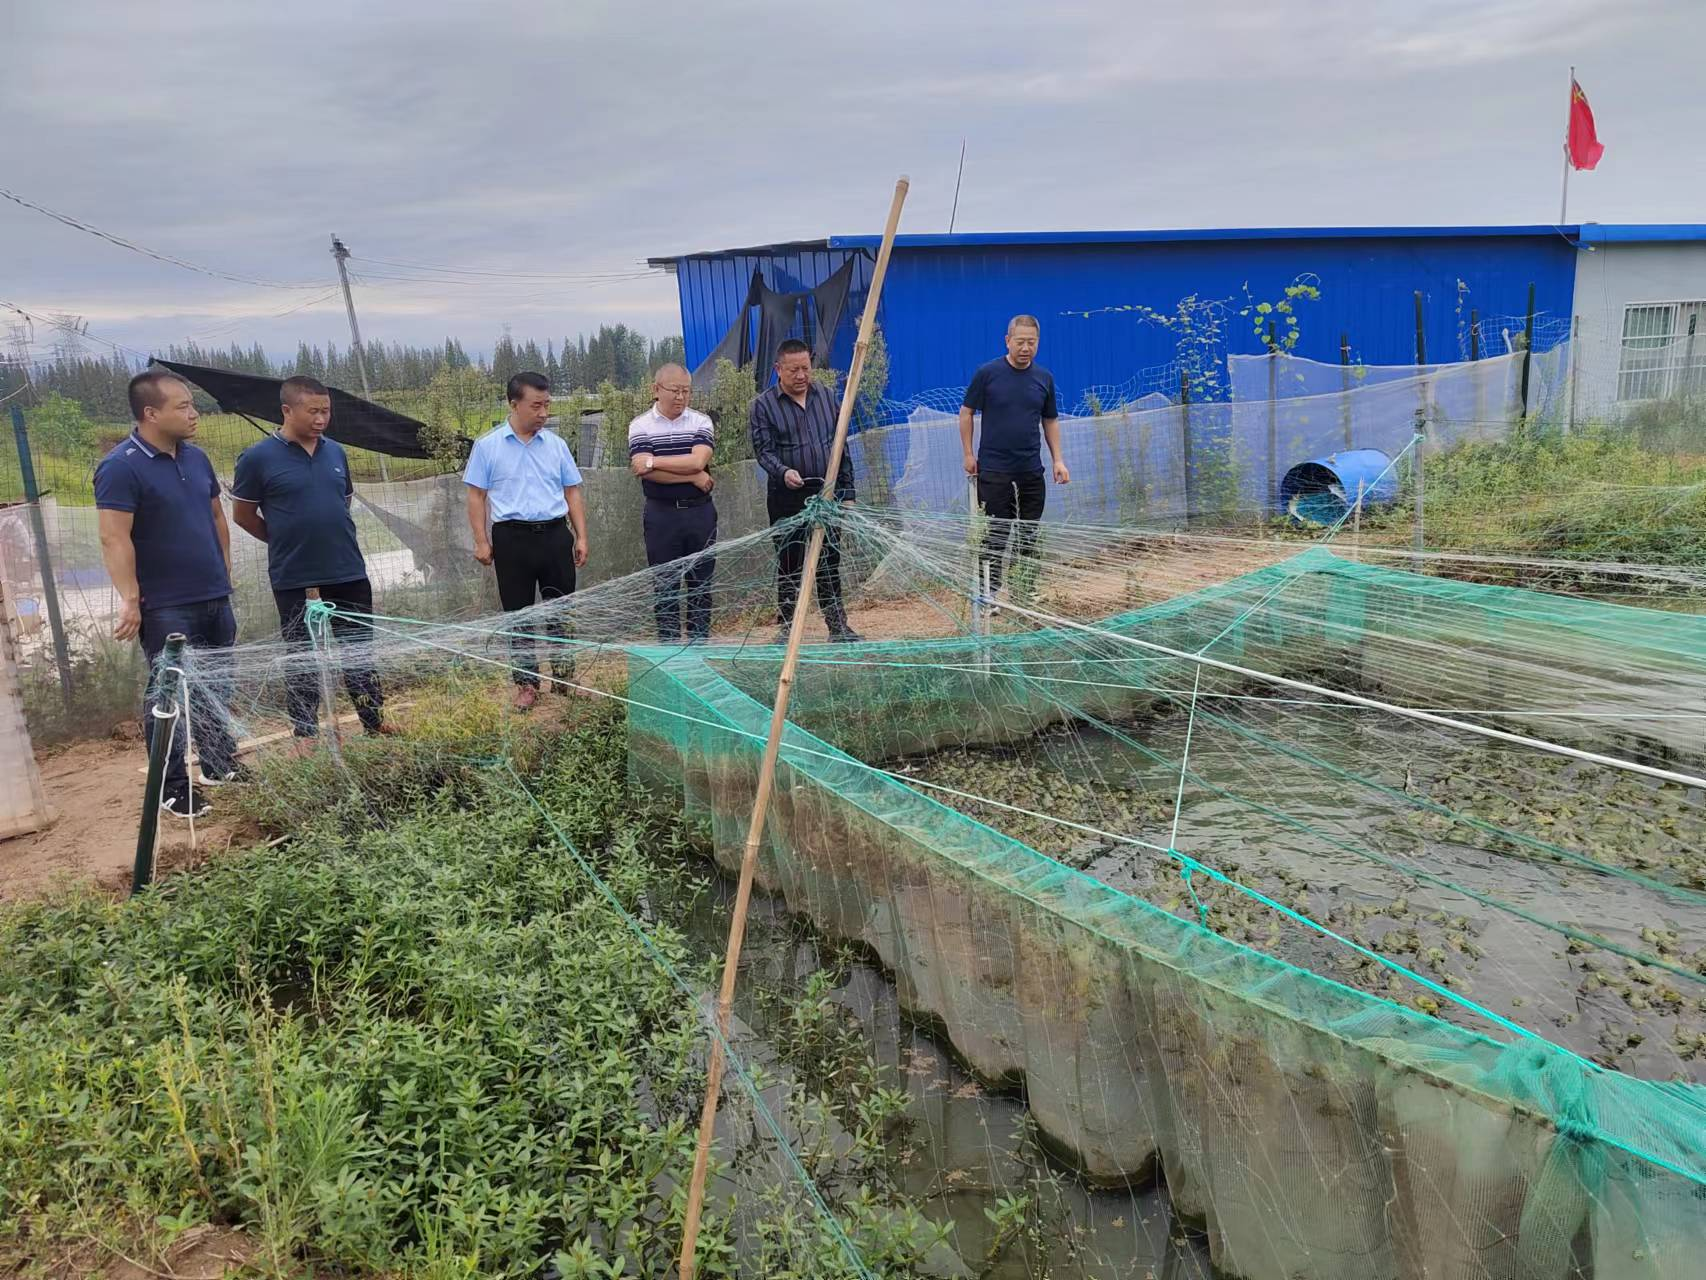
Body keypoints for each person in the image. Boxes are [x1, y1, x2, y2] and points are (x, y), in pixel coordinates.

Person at [94, 369, 239, 818]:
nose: (194, 414)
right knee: (167, 693)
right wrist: (131, 599)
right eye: (183, 406)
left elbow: (216, 516)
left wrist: (224, 570)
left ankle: (218, 763)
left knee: (216, 684)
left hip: (213, 594)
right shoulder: (120, 467)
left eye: (192, 405)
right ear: (151, 413)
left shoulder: (196, 458)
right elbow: (114, 538)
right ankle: (172, 785)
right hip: (166, 605)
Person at [231, 375, 395, 750]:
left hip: (346, 568)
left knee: (358, 649)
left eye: (326, 411)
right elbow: (243, 515)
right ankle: (306, 733)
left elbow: (342, 502)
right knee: (301, 655)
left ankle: (374, 721)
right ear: (287, 410)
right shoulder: (257, 458)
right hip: (295, 575)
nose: (321, 419)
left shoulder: (336, 452)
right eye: (313, 411)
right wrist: (284, 539)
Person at [464, 371, 589, 710]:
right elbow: (476, 496)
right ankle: (526, 683)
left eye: (547, 405)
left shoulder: (556, 445)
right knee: (518, 615)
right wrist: (481, 541)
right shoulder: (488, 446)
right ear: (513, 404)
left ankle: (564, 677)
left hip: (554, 535)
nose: (543, 413)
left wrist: (581, 536)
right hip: (511, 539)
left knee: (561, 609)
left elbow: (572, 492)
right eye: (536, 406)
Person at [749, 339, 859, 643]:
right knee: (790, 563)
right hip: (787, 497)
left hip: (826, 495)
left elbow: (840, 446)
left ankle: (838, 628)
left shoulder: (826, 396)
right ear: (778, 369)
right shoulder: (763, 406)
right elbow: (763, 451)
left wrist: (847, 492)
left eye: (806, 368)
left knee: (829, 562)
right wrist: (784, 472)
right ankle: (787, 629)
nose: (801, 375)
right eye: (793, 370)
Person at [959, 315, 1070, 601]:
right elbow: (966, 412)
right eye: (1020, 342)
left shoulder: (1044, 378)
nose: (1025, 348)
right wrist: (968, 453)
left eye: (1031, 342)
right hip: (994, 472)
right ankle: (989, 593)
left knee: (1028, 534)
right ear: (1007, 341)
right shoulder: (988, 374)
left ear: (1038, 343)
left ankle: (1024, 590)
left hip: (1031, 471)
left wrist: (1058, 460)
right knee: (995, 535)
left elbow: (1050, 420)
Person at [628, 363, 717, 643]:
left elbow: (698, 460)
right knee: (665, 585)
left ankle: (698, 645)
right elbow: (643, 471)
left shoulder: (700, 422)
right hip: (661, 515)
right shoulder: (641, 425)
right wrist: (692, 476)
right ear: (656, 389)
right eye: (674, 390)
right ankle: (669, 648)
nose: (680, 397)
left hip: (700, 513)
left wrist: (654, 461)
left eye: (686, 391)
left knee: (701, 583)